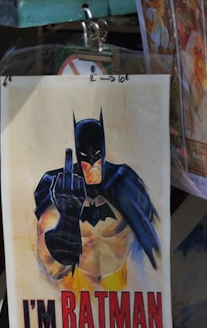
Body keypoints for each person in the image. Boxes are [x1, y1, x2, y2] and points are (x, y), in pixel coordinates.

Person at [34, 112, 160, 290]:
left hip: (127, 281)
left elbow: (151, 239)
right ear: (78, 153)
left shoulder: (124, 181)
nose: (92, 162)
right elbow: (52, 266)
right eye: (86, 156)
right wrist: (68, 217)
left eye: (97, 155)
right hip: (75, 284)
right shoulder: (56, 185)